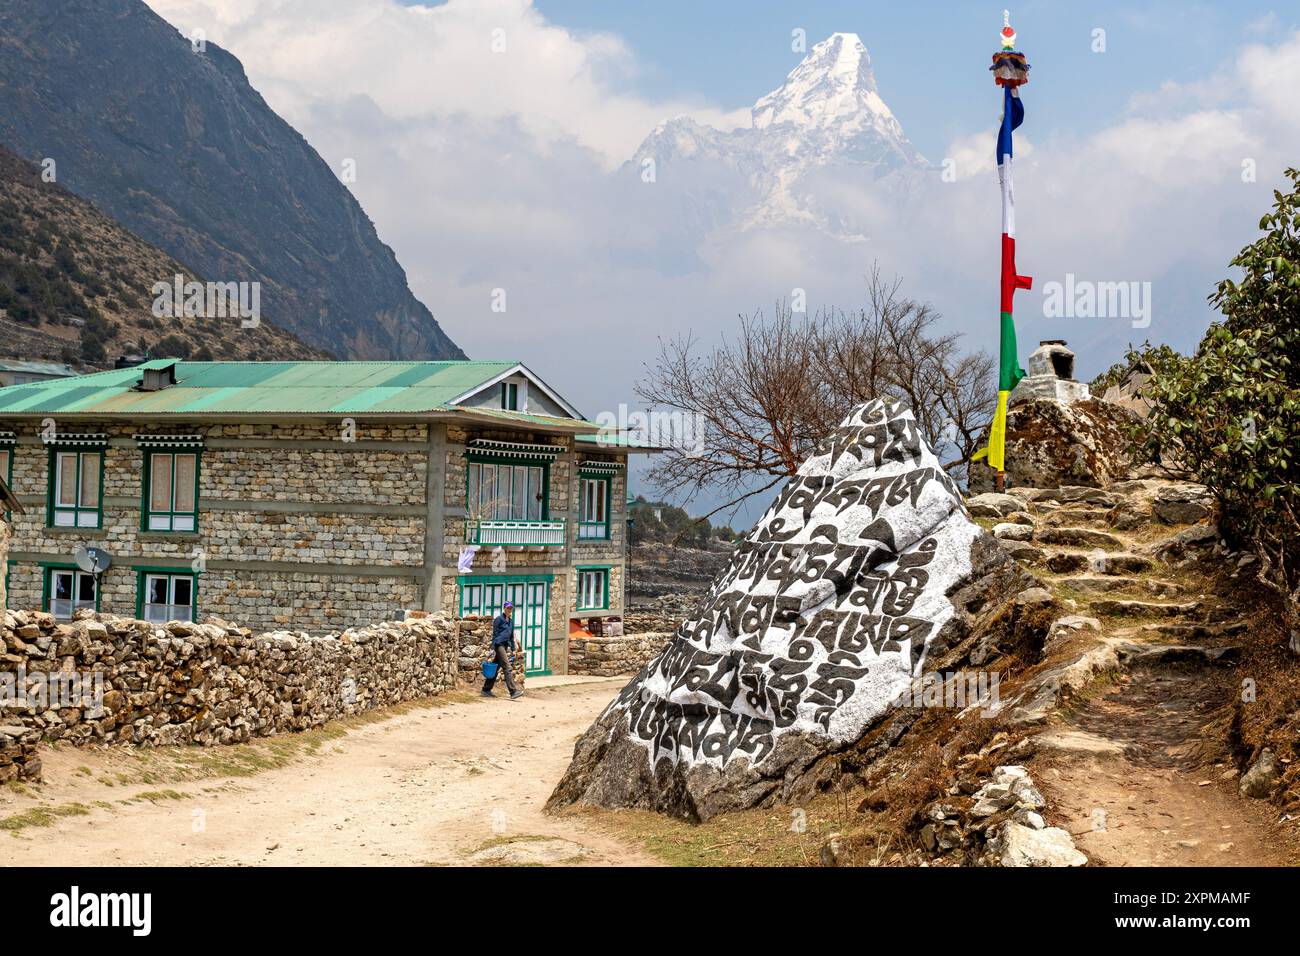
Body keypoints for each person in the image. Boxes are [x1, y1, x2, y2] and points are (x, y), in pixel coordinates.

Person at [482, 601, 524, 699]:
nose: (510, 610)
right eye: (508, 608)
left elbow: (511, 637)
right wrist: (493, 647)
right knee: (507, 667)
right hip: (499, 645)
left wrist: (513, 649)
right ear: (504, 608)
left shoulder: (511, 621)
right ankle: (513, 692)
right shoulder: (499, 619)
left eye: (511, 608)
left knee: (496, 668)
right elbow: (495, 634)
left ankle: (486, 689)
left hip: (505, 646)